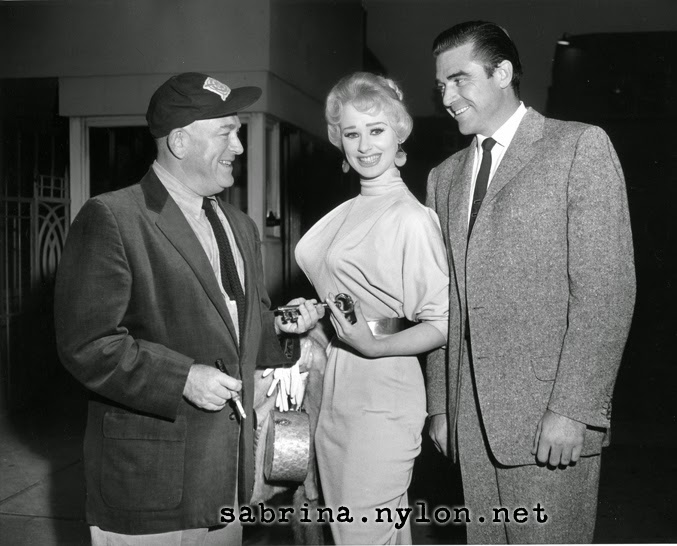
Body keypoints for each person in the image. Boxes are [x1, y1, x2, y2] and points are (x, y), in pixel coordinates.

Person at [54, 72, 323, 545]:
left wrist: (285, 329)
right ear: (179, 141)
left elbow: (242, 326)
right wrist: (182, 378)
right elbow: (88, 344)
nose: (239, 146)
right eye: (226, 133)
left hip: (225, 482)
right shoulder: (113, 217)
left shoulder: (240, 226)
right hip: (148, 486)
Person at [425, 21, 636, 544]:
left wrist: (573, 409)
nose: (447, 98)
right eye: (441, 86)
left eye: (459, 80)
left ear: (502, 73)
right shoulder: (443, 177)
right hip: (470, 425)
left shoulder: (578, 147)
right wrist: (441, 405)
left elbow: (606, 293)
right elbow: (442, 300)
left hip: (550, 421)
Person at [295, 71, 450, 545]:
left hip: (381, 393)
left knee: (362, 534)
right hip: (336, 387)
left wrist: (372, 344)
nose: (364, 145)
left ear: (398, 133)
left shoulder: (411, 218)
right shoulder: (348, 210)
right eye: (352, 133)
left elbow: (442, 322)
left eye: (376, 129)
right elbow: (350, 298)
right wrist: (315, 316)